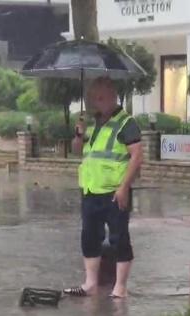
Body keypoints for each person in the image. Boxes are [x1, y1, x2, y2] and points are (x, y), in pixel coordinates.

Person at [64, 77, 143, 299]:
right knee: (89, 237)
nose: (96, 103)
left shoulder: (126, 123)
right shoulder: (94, 123)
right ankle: (90, 283)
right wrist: (79, 134)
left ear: (112, 95)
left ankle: (120, 286)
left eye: (100, 98)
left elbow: (137, 156)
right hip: (90, 190)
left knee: (119, 238)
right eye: (93, 98)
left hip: (114, 191)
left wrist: (124, 187)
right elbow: (78, 151)